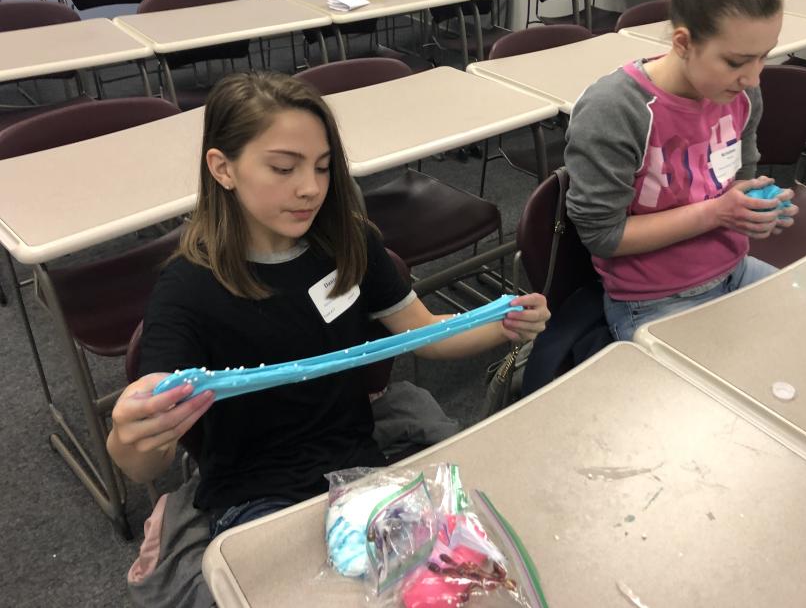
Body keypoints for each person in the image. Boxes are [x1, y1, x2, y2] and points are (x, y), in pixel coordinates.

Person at [108, 71, 549, 541]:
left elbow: (426, 334)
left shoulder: (347, 242)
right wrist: (134, 437)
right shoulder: (187, 288)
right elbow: (141, 462)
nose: (311, 188)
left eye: (321, 167)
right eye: (283, 168)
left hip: (358, 468)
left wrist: (505, 323)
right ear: (223, 169)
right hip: (254, 496)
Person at [564, 0, 798, 342]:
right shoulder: (617, 109)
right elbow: (602, 235)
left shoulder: (741, 95)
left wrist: (753, 207)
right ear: (683, 42)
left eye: (764, 57)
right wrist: (718, 212)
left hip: (734, 270)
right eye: (736, 61)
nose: (754, 77)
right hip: (652, 298)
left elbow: (737, 181)